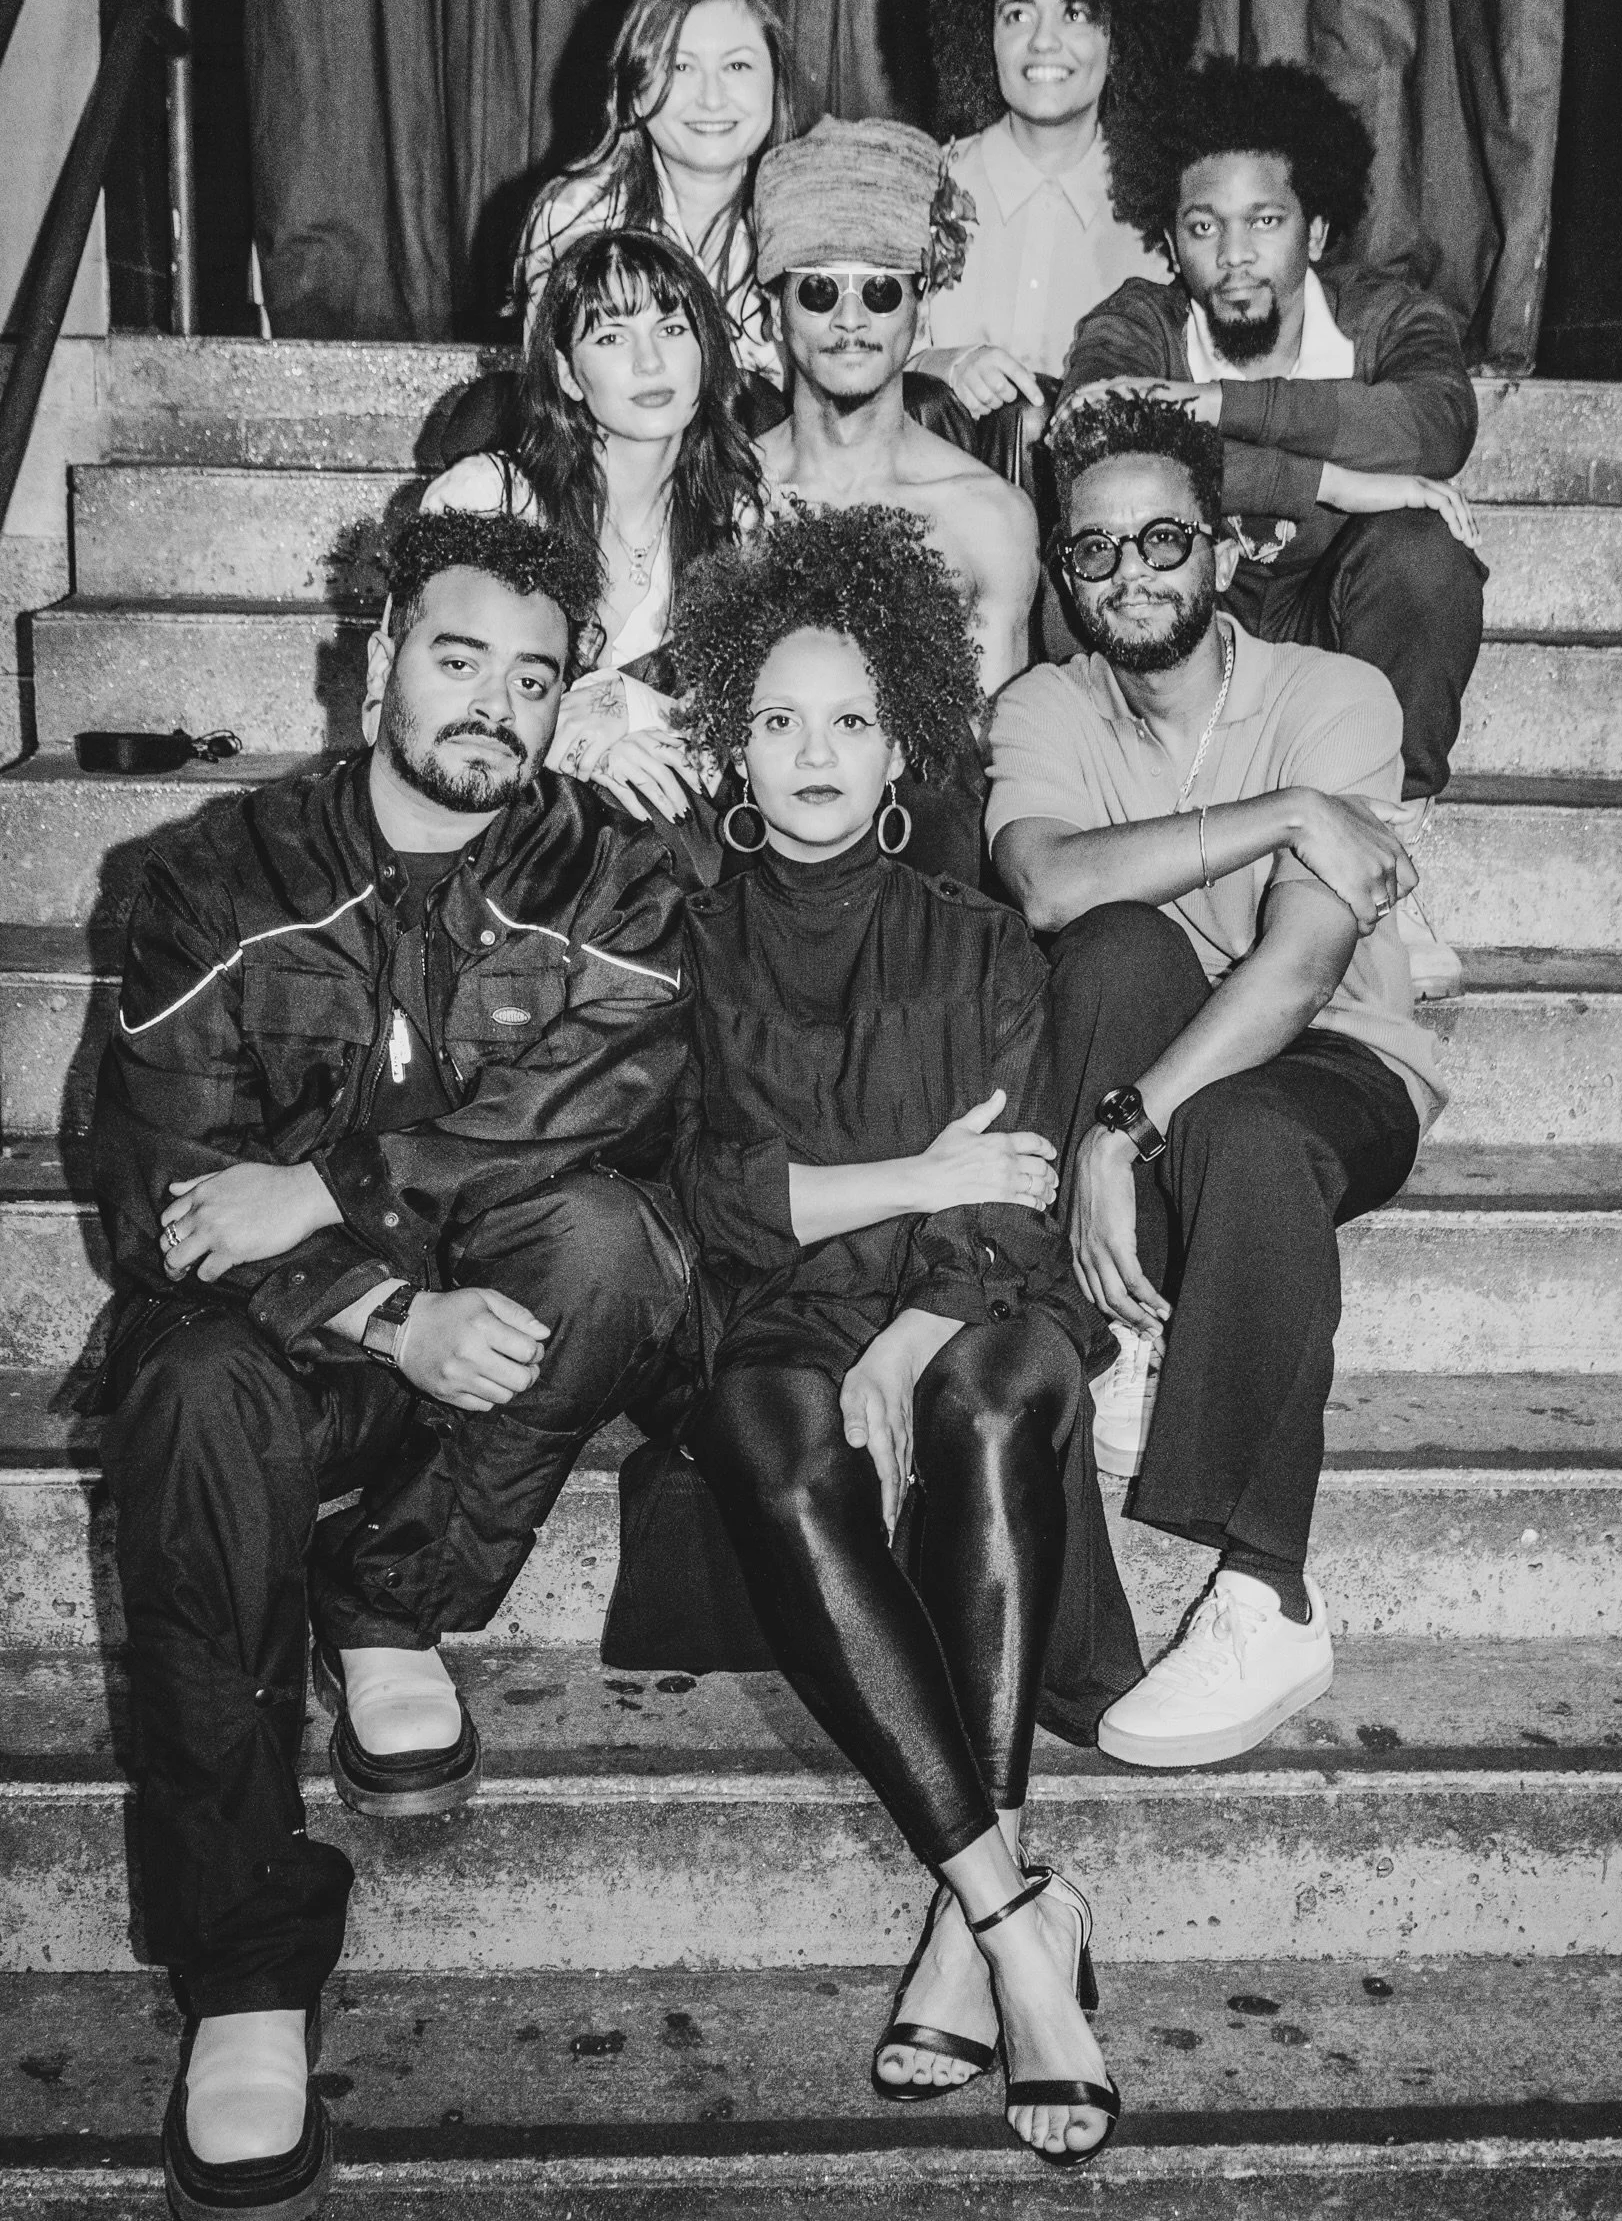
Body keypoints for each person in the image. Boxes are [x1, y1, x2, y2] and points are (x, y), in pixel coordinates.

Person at [92, 511, 694, 2221]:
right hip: (291, 1346)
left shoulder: (612, 879)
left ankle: (389, 1596)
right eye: (456, 660)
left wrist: (343, 1181)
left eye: (534, 677)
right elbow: (167, 1206)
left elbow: (603, 1103)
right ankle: (245, 1969)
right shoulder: (211, 876)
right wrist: (376, 1302)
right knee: (190, 1391)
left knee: (608, 1250)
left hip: (476, 1311)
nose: (493, 705)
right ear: (370, 664)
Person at [663, 502, 1129, 2168]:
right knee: (769, 1450)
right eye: (776, 717)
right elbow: (710, 1195)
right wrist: (918, 1171)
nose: (811, 752)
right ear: (732, 736)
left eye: (848, 719)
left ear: (900, 745)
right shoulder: (686, 937)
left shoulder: (984, 939)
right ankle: (1016, 1924)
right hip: (773, 1317)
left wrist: (904, 1330)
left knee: (995, 1406)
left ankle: (959, 1919)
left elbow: (1007, 1215)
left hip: (970, 1302)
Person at [988, 393, 1447, 1769]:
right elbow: (1056, 881)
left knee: (1244, 1124)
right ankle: (1126, 1328)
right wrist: (1291, 813)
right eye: (1095, 552)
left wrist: (1122, 1130)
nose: (1130, 575)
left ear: (1226, 550)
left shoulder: (1334, 693)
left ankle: (1268, 1587)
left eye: (1163, 540)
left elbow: (1308, 960)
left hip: (1338, 1065)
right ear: (1063, 575)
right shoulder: (1045, 702)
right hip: (1155, 1035)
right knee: (1117, 944)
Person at [1053, 57, 1485, 996]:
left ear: (1317, 229)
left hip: (1322, 620)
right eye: (1205, 227)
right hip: (1192, 625)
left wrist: (1214, 403)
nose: (1236, 254)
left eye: (1267, 221)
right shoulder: (1135, 324)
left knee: (1426, 561)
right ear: (1171, 241)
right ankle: (1105, 853)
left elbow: (1435, 423)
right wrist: (1331, 480)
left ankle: (1386, 872)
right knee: (1071, 583)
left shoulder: (1388, 318)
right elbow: (1089, 440)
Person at [407, 227, 763, 829]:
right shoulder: (493, 502)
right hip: (499, 821)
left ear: (707, 353)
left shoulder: (738, 517)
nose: (649, 361)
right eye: (611, 336)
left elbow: (740, 731)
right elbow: (425, 713)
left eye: (672, 330)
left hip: (668, 828)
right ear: (569, 374)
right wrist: (581, 752)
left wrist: (631, 707)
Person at [752, 115, 1040, 702]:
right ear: (774, 312)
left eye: (881, 291)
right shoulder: (724, 498)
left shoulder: (990, 519)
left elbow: (986, 759)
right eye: (819, 290)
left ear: (921, 308)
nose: (850, 320)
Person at [910, 0, 1199, 418]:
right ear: (981, 33)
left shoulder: (1172, 208)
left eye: (1075, 13)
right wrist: (942, 366)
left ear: (1120, 39)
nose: (1043, 42)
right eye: (1017, 13)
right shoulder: (920, 184)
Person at [515, 0, 793, 393]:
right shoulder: (576, 216)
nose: (712, 98)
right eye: (681, 67)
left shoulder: (809, 217)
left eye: (737, 66)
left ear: (775, 84)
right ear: (635, 91)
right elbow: (557, 400)